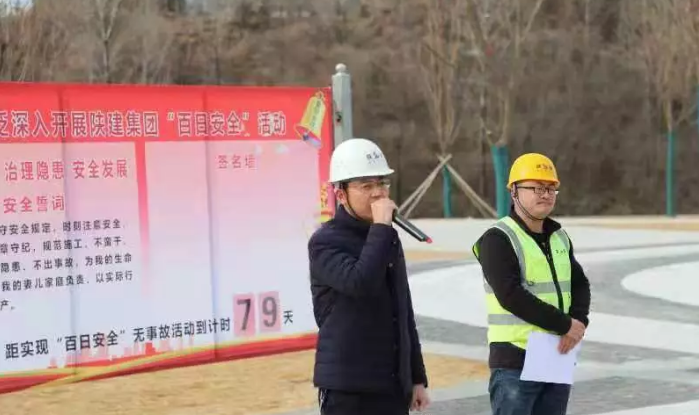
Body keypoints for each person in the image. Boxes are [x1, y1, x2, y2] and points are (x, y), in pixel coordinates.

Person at [307, 138, 430, 415]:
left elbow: (403, 310)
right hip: (349, 388)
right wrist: (381, 228)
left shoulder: (387, 237)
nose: (378, 193)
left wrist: (416, 377)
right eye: (366, 186)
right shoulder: (325, 241)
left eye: (382, 183)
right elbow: (360, 283)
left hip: (392, 385)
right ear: (341, 194)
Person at [471, 153, 591, 415]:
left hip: (556, 354)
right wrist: (565, 325)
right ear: (514, 191)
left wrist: (579, 322)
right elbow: (511, 295)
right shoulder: (498, 239)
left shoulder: (559, 237)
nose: (545, 194)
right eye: (536, 188)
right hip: (516, 361)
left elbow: (580, 284)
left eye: (550, 188)